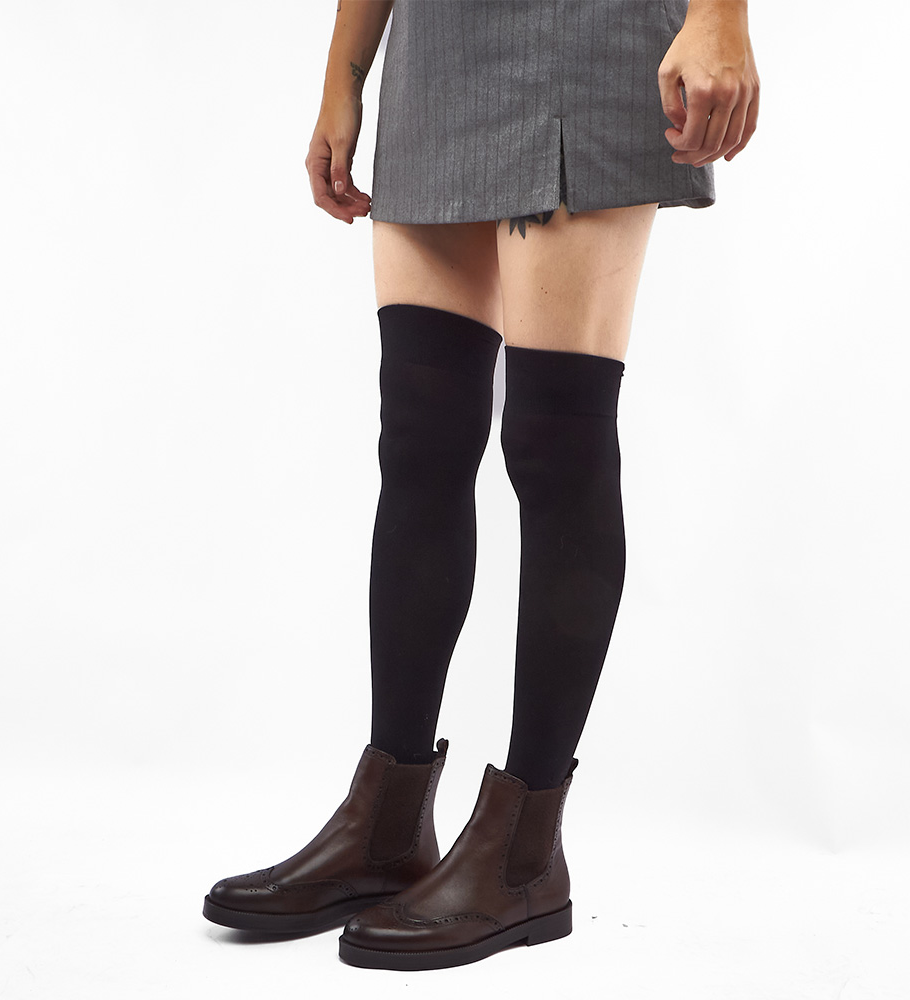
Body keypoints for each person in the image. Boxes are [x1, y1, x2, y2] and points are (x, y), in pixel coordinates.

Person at [202, 0, 759, 971]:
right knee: (420, 439)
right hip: (438, 44)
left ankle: (522, 854)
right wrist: (343, 72)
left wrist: (720, 14)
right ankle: (386, 826)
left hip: (584, 35)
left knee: (554, 440)